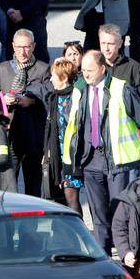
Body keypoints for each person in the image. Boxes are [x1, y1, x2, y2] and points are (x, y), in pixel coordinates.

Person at [62, 50, 140, 255]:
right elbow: (73, 126)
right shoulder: (80, 89)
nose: (85, 74)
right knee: (98, 214)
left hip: (117, 160)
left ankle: (127, 255)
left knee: (120, 211)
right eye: (83, 70)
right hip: (90, 159)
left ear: (103, 69)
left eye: (90, 70)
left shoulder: (121, 88)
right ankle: (103, 258)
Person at [0, 29, 49, 197]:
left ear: (33, 46)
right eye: (19, 47)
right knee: (8, 187)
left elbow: (49, 98)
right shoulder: (2, 69)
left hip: (33, 134)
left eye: (26, 47)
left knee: (33, 185)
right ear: (12, 46)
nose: (23, 52)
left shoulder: (43, 68)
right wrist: (4, 100)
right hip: (11, 134)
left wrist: (31, 101)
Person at [41, 58, 83, 214]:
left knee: (71, 197)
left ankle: (79, 232)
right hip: (58, 154)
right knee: (60, 198)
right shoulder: (54, 97)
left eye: (54, 75)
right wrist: (47, 153)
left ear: (64, 78)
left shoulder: (77, 96)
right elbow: (49, 127)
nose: (51, 78)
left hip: (72, 156)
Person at [99, 24, 140, 118]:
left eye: (110, 44)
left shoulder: (134, 67)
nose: (106, 48)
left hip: (126, 123)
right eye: (103, 43)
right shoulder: (94, 66)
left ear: (120, 44)